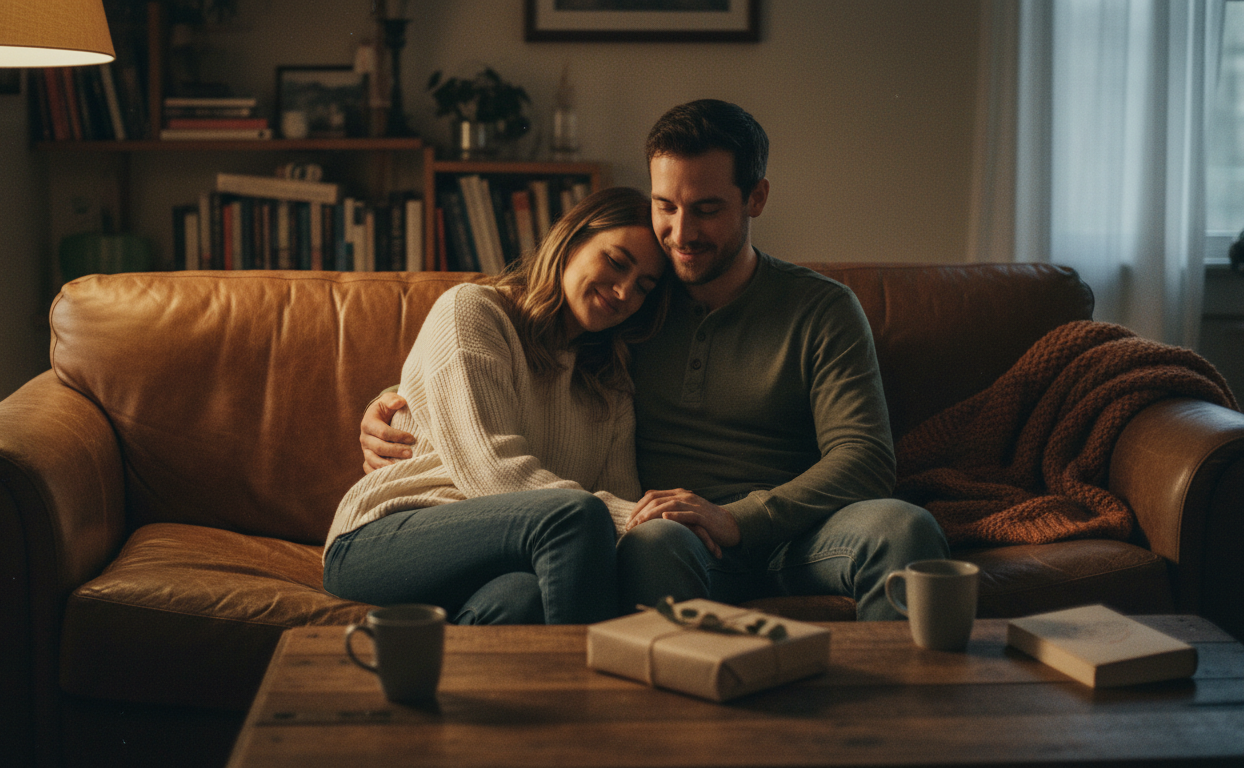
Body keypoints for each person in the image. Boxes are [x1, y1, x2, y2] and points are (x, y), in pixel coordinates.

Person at [361, 100, 950, 621]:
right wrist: (397, 404)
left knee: (903, 527)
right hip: (673, 536)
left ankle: (895, 729)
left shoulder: (821, 308)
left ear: (757, 198)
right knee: (654, 544)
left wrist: (742, 518)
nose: (680, 232)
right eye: (665, 205)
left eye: (708, 209)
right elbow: (518, 363)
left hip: (802, 532)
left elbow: (866, 457)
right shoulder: (636, 309)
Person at [324, 186, 671, 625]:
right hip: (382, 538)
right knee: (576, 515)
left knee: (522, 600)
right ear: (570, 239)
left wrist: (650, 522)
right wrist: (635, 517)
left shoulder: (611, 382)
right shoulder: (473, 311)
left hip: (504, 557)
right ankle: (598, 692)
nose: (624, 292)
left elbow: (619, 494)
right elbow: (492, 469)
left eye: (643, 287)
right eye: (616, 262)